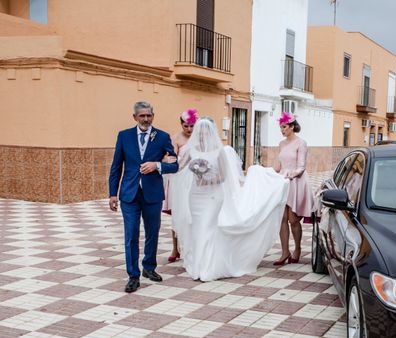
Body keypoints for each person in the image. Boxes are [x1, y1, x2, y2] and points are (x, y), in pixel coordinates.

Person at [170, 117, 288, 281]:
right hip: (195, 196)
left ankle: (208, 269)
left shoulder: (219, 151)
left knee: (208, 228)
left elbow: (223, 176)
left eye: (206, 132)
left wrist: (205, 177)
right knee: (197, 229)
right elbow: (178, 167)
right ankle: (198, 266)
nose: (202, 135)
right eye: (200, 132)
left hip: (213, 196)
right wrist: (162, 165)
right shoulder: (192, 150)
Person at [108, 101, 178, 293]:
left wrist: (157, 165)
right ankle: (133, 275)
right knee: (131, 235)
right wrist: (113, 193)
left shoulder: (162, 137)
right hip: (129, 194)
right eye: (142, 116)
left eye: (149, 115)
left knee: (152, 233)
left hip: (153, 194)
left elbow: (175, 164)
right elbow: (116, 166)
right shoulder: (124, 136)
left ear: (153, 116)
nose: (146, 119)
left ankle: (149, 267)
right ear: (135, 117)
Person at [273, 112, 314, 266]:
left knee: (293, 220)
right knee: (282, 218)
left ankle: (297, 249)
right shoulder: (281, 144)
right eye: (280, 127)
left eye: (284, 127)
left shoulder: (301, 143)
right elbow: (279, 165)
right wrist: (269, 172)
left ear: (291, 127)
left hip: (296, 182)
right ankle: (285, 252)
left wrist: (289, 175)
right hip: (283, 183)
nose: (282, 130)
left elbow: (301, 167)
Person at [164, 108, 198, 263]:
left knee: (193, 214)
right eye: (186, 126)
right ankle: (175, 248)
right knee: (178, 213)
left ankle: (193, 246)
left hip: (195, 180)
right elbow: (171, 158)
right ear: (181, 124)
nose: (189, 129)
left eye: (191, 125)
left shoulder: (199, 138)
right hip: (179, 179)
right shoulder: (176, 138)